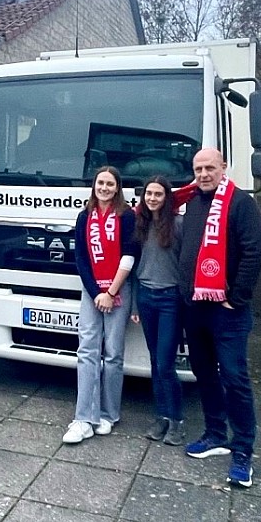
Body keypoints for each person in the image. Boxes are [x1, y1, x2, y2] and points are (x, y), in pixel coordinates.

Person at [179, 147, 261, 488]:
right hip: (195, 307)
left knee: (234, 378)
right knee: (204, 373)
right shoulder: (192, 202)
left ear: (223, 167)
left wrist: (236, 297)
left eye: (209, 168)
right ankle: (215, 433)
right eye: (198, 168)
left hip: (227, 311)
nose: (203, 174)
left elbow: (254, 251)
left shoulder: (240, 202)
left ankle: (243, 450)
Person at [63, 166, 138, 443]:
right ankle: (84, 418)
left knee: (114, 353)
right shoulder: (85, 216)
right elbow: (81, 258)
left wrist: (111, 291)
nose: (104, 187)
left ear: (117, 188)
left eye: (109, 183)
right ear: (94, 186)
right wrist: (97, 292)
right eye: (100, 183)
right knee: (87, 351)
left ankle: (109, 414)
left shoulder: (127, 216)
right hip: (92, 291)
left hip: (120, 289)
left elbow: (130, 255)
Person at [131, 176, 185, 445]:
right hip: (146, 297)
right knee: (154, 361)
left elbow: (187, 264)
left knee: (165, 363)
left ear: (167, 198)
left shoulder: (178, 225)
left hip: (170, 299)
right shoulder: (139, 225)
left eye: (158, 194)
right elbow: (131, 266)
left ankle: (176, 420)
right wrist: (133, 305)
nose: (152, 198)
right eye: (149, 194)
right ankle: (162, 416)